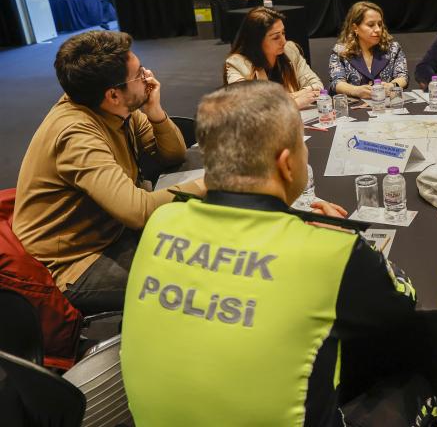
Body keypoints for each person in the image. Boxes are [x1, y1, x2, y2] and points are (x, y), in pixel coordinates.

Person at [121, 81, 418, 426]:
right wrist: (351, 241)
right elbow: (402, 304)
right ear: (287, 164)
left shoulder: (162, 221)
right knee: (412, 384)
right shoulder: (328, 252)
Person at [13, 30, 203, 314]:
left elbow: (173, 155)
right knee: (190, 282)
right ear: (113, 95)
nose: (148, 77)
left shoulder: (114, 106)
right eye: (139, 74)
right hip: (75, 262)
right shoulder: (76, 134)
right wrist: (210, 184)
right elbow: (137, 212)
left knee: (201, 251)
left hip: (111, 231)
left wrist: (155, 112)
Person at [224, 6, 322, 109]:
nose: (284, 41)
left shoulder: (290, 50)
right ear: (256, 41)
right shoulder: (237, 64)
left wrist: (286, 98)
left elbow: (317, 85)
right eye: (276, 37)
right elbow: (247, 106)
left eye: (283, 33)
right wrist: (294, 103)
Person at [328, 1, 408, 99]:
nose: (378, 29)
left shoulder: (393, 48)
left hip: (385, 103)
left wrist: (392, 86)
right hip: (355, 105)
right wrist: (356, 91)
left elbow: (403, 76)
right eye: (371, 25)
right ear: (355, 28)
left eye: (380, 24)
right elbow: (336, 82)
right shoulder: (340, 51)